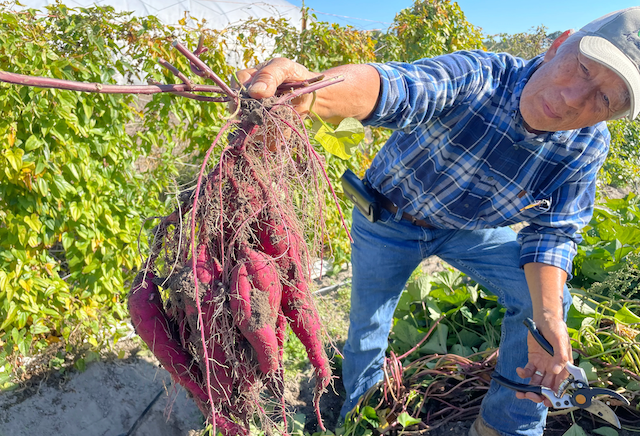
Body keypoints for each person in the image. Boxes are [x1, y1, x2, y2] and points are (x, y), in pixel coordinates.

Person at [236, 7, 640, 436]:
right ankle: (359, 416)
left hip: (470, 231)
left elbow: (555, 232)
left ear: (612, 115)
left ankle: (508, 426)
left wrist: (549, 321)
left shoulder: (588, 144)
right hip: (389, 219)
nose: (575, 97)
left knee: (546, 306)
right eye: (581, 67)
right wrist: (312, 91)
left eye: (605, 99)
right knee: (369, 327)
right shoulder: (483, 77)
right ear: (558, 44)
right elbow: (397, 88)